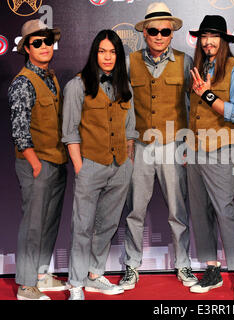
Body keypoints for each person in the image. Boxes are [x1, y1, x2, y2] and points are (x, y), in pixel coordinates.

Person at [119, 2, 197, 290]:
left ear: (172, 33)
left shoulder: (186, 62)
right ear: (144, 33)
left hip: (173, 144)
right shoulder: (129, 62)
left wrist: (189, 141)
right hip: (140, 145)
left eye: (165, 30)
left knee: (178, 210)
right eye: (154, 30)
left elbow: (194, 106)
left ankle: (184, 264)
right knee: (134, 210)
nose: (159, 35)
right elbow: (123, 105)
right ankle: (131, 266)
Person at [62, 29, 136, 300]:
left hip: (120, 167)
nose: (107, 57)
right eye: (102, 51)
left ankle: (94, 275)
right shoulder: (77, 86)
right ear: (94, 54)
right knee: (82, 226)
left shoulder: (124, 87)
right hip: (90, 166)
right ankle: (76, 284)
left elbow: (131, 129)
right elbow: (69, 132)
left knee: (107, 224)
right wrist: (80, 167)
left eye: (113, 52)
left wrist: (128, 161)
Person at [186, 15, 234, 300]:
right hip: (194, 150)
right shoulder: (199, 67)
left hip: (220, 149)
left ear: (224, 39)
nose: (208, 41)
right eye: (204, 36)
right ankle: (212, 270)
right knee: (200, 213)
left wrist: (208, 95)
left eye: (213, 36)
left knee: (224, 212)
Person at [8, 19, 68, 300]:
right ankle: (25, 284)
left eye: (47, 41)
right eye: (37, 43)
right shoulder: (23, 82)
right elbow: (19, 132)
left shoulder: (50, 77)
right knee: (33, 224)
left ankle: (41, 275)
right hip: (37, 163)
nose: (44, 46)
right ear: (26, 49)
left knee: (49, 221)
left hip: (56, 161)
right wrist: (35, 164)